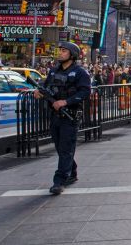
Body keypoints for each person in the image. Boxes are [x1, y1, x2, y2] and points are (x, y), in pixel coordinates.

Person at [33, 42, 91, 195]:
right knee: (60, 147)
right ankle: (72, 171)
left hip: (70, 115)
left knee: (65, 148)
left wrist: (66, 102)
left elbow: (85, 92)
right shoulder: (53, 71)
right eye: (60, 50)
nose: (60, 53)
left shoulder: (80, 73)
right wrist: (38, 92)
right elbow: (46, 87)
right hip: (55, 115)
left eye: (64, 51)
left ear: (72, 54)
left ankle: (59, 181)